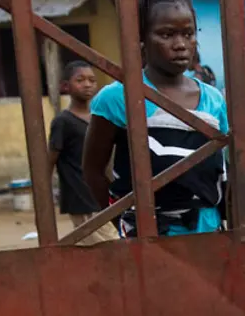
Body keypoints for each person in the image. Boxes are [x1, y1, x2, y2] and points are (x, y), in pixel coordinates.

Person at [83, 0, 229, 238]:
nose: (181, 45)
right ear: (142, 39)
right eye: (166, 34)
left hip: (208, 230)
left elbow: (222, 167)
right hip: (148, 235)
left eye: (188, 34)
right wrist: (122, 217)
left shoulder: (213, 99)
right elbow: (93, 170)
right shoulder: (116, 97)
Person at [48, 60, 119, 245]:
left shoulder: (99, 118)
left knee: (104, 248)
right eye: (80, 80)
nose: (87, 84)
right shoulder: (63, 122)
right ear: (66, 86)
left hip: (104, 196)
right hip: (82, 199)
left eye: (91, 80)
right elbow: (50, 159)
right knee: (108, 246)